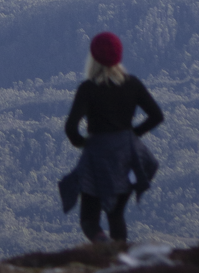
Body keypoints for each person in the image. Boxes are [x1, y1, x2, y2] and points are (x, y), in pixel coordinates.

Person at [57, 31, 164, 244]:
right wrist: (132, 135)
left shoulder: (88, 88)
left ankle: (105, 249)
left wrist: (83, 143)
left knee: (89, 221)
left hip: (97, 158)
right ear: (118, 56)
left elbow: (71, 128)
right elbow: (156, 116)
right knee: (116, 216)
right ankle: (121, 261)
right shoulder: (132, 84)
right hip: (126, 157)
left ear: (93, 58)